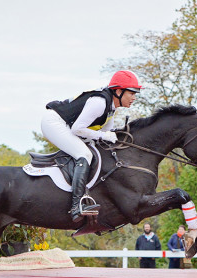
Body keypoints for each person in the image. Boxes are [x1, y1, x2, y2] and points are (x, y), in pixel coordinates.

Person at [41, 70, 142, 223]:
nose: (134, 98)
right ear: (119, 91)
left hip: (67, 125)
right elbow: (78, 129)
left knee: (94, 151)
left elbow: (107, 133)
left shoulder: (110, 108)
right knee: (85, 154)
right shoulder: (100, 103)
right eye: (132, 93)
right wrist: (104, 135)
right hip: (54, 123)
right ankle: (76, 206)